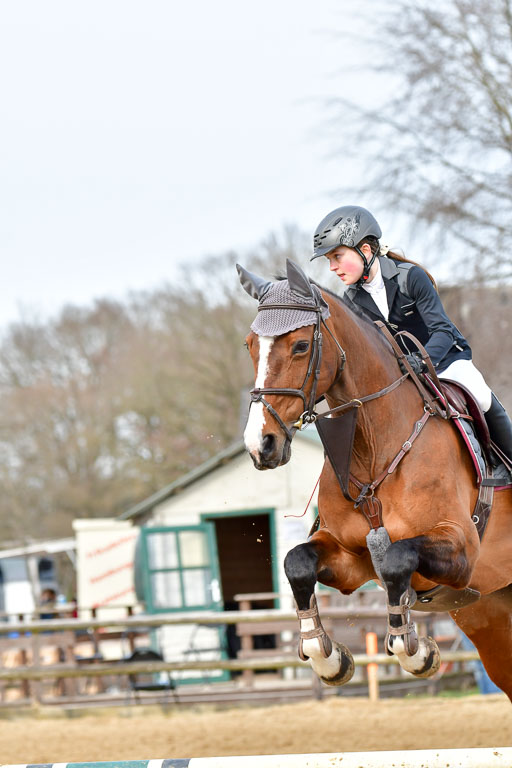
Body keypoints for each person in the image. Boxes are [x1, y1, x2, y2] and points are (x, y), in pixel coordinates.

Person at [311, 204, 512, 464]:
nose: (332, 267)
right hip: (402, 374)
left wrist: (420, 361)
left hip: (445, 360)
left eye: (337, 257)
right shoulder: (351, 301)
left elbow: (442, 331)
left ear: (365, 250)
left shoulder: (410, 277)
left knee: (481, 396)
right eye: (329, 260)